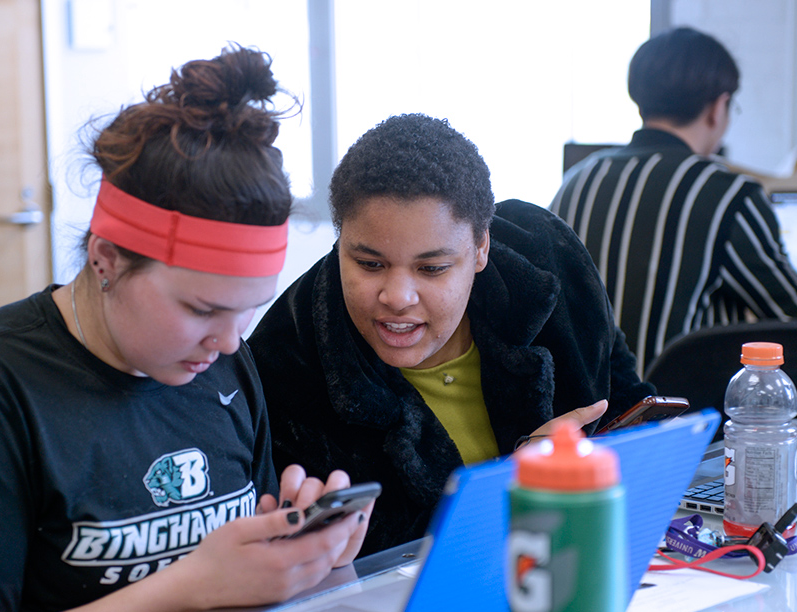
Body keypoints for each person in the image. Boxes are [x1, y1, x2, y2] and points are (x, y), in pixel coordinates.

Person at [0, 47, 371, 612]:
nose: (226, 342)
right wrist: (185, 587)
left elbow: (240, 582)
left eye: (247, 311)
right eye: (201, 309)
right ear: (106, 259)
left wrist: (309, 557)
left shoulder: (223, 368)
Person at [249, 113, 652, 556]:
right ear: (340, 242)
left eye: (432, 268)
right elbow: (375, 564)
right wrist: (515, 490)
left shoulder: (548, 260)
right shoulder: (285, 364)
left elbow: (632, 406)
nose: (397, 297)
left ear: (481, 247)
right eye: (369, 264)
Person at [550, 27, 797, 377]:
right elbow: (794, 307)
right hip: (669, 414)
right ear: (717, 107)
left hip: (575, 414)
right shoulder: (727, 193)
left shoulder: (576, 181)